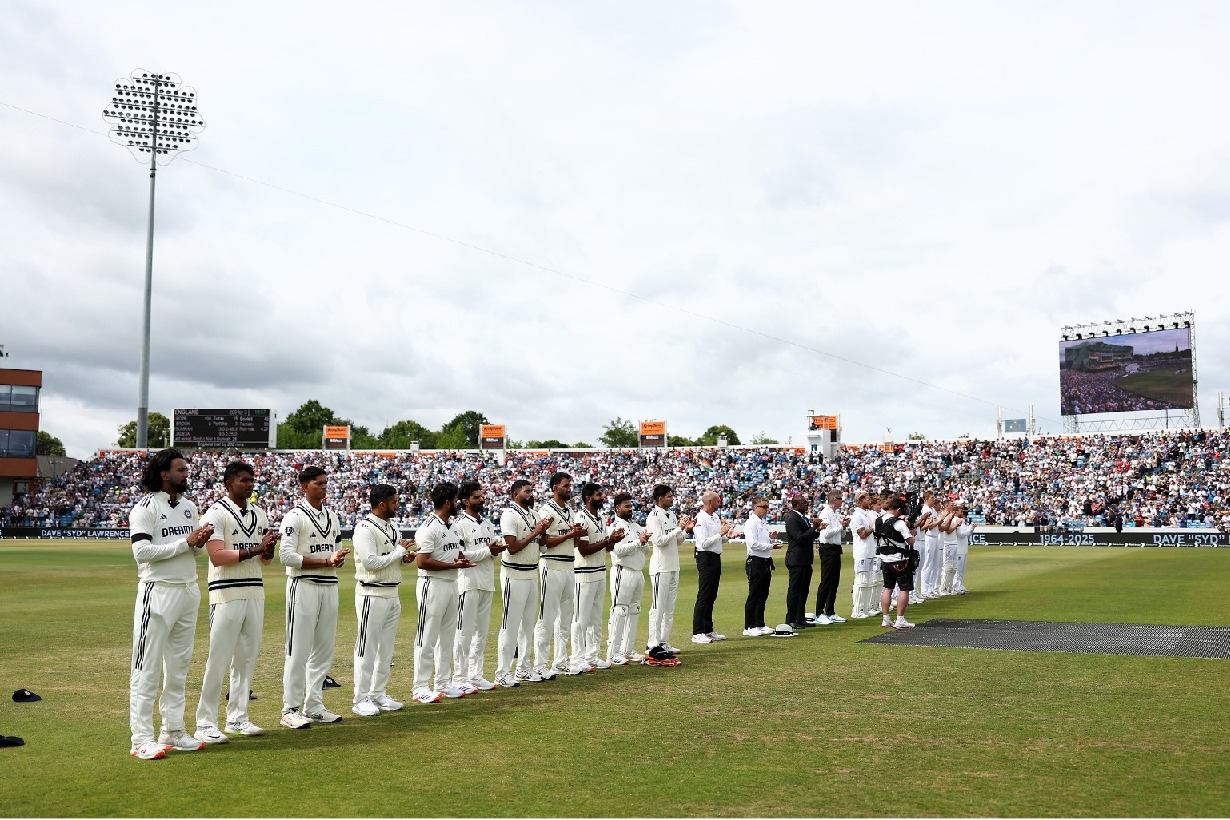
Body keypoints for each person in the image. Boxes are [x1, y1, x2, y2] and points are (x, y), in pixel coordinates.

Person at [128, 448, 213, 760]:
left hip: (188, 590)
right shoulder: (145, 507)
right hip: (158, 592)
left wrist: (199, 542)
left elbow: (193, 552)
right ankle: (141, 739)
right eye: (181, 470)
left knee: (178, 669)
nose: (186, 474)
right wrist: (185, 543)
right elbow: (142, 552)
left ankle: (173, 730)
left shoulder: (189, 507)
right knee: (146, 669)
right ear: (164, 473)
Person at [194, 461, 278, 743]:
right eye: (244, 480)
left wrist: (268, 549)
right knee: (218, 659)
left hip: (254, 591)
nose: (249, 484)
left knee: (246, 659)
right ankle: (205, 722)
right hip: (225, 593)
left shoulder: (259, 513)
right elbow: (217, 556)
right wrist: (256, 549)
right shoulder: (215, 513)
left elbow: (265, 561)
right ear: (229, 483)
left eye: (252, 480)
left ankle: (238, 718)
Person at [279, 465, 349, 728]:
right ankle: (289, 709)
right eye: (318, 483)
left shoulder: (332, 516)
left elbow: (336, 551)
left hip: (329, 585)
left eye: (325, 482)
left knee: (323, 649)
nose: (324, 487)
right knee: (298, 650)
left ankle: (314, 705)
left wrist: (337, 559)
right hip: (303, 585)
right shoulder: (294, 517)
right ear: (304, 486)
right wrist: (325, 562)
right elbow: (286, 556)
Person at [350, 483, 414, 717]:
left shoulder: (392, 526)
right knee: (367, 648)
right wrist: (398, 553)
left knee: (386, 650)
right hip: (371, 593)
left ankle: (378, 693)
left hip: (392, 592)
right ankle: (360, 698)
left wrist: (404, 558)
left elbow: (390, 559)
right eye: (394, 502)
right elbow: (370, 562)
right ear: (381, 504)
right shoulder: (365, 528)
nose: (398, 505)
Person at [412, 482, 475, 703]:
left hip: (451, 583)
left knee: (447, 637)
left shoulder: (453, 527)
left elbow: (456, 553)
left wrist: (462, 561)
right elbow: (422, 562)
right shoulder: (428, 527)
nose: (458, 503)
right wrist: (452, 566)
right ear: (447, 503)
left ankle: (443, 683)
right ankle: (420, 687)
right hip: (432, 585)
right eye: (456, 500)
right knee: (427, 636)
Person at [494, 479, 551, 688]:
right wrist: (536, 531)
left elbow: (541, 545)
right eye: (527, 491)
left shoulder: (534, 515)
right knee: (510, 625)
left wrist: (543, 531)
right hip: (514, 574)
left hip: (532, 573)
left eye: (532, 490)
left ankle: (523, 668)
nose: (531, 494)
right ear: (516, 494)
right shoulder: (509, 514)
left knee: (527, 625)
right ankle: (502, 672)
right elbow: (512, 548)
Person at [453, 481, 506, 692]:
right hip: (468, 583)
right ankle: (459, 678)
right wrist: (487, 551)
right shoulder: (459, 525)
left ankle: (475, 675)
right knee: (464, 632)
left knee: (481, 633)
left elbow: (490, 552)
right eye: (476, 497)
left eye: (481, 496)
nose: (481, 499)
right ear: (465, 501)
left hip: (486, 582)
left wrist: (495, 551)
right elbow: (459, 555)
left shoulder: (487, 524)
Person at [567, 482, 622, 673]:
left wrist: (613, 540)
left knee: (596, 618)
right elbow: (583, 550)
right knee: (581, 618)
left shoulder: (600, 518)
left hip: (599, 571)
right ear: (589, 498)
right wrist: (608, 540)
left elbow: (606, 547)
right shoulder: (581, 517)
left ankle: (592, 655)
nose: (602, 497)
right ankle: (577, 658)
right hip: (584, 573)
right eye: (599, 495)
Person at [535, 472, 586, 678]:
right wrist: (570, 534)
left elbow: (573, 543)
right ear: (555, 488)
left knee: (565, 618)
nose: (569, 488)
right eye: (565, 485)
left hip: (568, 566)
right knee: (547, 617)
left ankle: (560, 660)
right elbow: (544, 541)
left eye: (569, 485)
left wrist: (576, 535)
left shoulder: (570, 511)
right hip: (551, 565)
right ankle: (539, 664)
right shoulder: (546, 510)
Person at [645, 484, 695, 654]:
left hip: (674, 565)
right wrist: (678, 529)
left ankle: (663, 641)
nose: (672, 499)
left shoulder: (672, 515)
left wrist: (686, 531)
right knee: (658, 607)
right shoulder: (653, 517)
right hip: (661, 567)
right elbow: (658, 541)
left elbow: (676, 541)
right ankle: (652, 643)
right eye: (669, 496)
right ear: (660, 498)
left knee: (669, 609)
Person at [606, 492, 651, 664]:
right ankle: (613, 653)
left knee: (634, 610)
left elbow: (645, 550)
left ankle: (627, 649)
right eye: (627, 506)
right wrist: (639, 542)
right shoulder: (615, 527)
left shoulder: (636, 526)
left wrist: (644, 541)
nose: (630, 508)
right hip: (622, 571)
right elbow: (618, 550)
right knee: (620, 611)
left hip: (638, 572)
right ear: (617, 508)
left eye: (631, 505)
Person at [691, 490, 734, 644]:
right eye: (717, 500)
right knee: (704, 595)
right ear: (709, 502)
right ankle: (697, 632)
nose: (719, 503)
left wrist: (727, 535)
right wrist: (721, 533)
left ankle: (708, 630)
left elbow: (717, 539)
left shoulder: (715, 517)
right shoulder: (700, 518)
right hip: (705, 557)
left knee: (712, 594)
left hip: (715, 557)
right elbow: (703, 543)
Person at [875, 494, 917, 629]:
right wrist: (912, 533)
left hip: (884, 559)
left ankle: (886, 619)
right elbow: (910, 541)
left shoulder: (878, 521)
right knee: (904, 589)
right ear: (898, 510)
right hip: (899, 559)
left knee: (888, 588)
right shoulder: (899, 523)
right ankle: (900, 619)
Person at [742, 496, 781, 636]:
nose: (766, 509)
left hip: (765, 561)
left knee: (763, 594)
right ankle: (749, 626)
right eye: (764, 507)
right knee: (754, 594)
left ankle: (759, 623)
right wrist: (771, 546)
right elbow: (752, 544)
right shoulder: (751, 523)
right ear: (755, 508)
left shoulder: (763, 522)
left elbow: (762, 541)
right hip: (756, 561)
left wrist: (771, 539)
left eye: (767, 507)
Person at [783, 495, 820, 629]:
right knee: (795, 591)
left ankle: (800, 618)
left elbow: (808, 536)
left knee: (803, 591)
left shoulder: (802, 518)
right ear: (796, 504)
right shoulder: (793, 519)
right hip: (796, 560)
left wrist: (817, 529)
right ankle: (791, 619)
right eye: (804, 503)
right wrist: (813, 528)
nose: (806, 505)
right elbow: (800, 538)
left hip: (804, 560)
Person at [812, 490, 848, 625]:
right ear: (834, 500)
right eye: (840, 499)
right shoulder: (825, 513)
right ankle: (819, 612)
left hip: (836, 548)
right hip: (827, 548)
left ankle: (830, 611)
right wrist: (841, 526)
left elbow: (841, 535)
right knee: (826, 580)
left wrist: (843, 527)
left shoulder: (835, 514)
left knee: (834, 581)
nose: (842, 501)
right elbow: (826, 534)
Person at [848, 491, 880, 619]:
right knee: (861, 581)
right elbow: (862, 534)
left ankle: (865, 608)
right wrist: (873, 527)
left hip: (870, 551)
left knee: (868, 581)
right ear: (860, 500)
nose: (869, 501)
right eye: (867, 499)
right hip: (861, 553)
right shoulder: (857, 515)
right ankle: (857, 610)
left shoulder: (866, 514)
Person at [915, 492, 942, 600]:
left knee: (934, 565)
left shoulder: (933, 510)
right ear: (925, 499)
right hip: (928, 537)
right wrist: (941, 519)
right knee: (927, 564)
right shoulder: (925, 509)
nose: (933, 499)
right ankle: (925, 590)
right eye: (931, 498)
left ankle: (931, 588)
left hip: (935, 536)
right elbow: (928, 526)